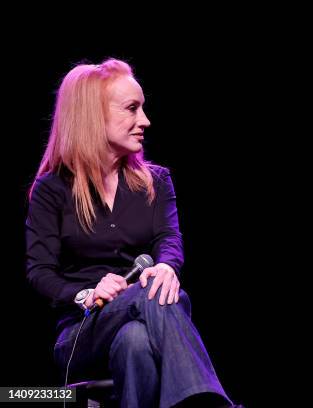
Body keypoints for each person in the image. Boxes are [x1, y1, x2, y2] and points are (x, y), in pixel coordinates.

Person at [26, 59, 234, 408]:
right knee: (161, 297)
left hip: (142, 319)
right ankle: (208, 403)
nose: (145, 121)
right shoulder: (52, 190)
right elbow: (40, 272)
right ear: (93, 115)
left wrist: (168, 266)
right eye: (132, 109)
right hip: (81, 333)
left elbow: (169, 240)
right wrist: (85, 293)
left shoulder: (157, 182)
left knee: (135, 341)